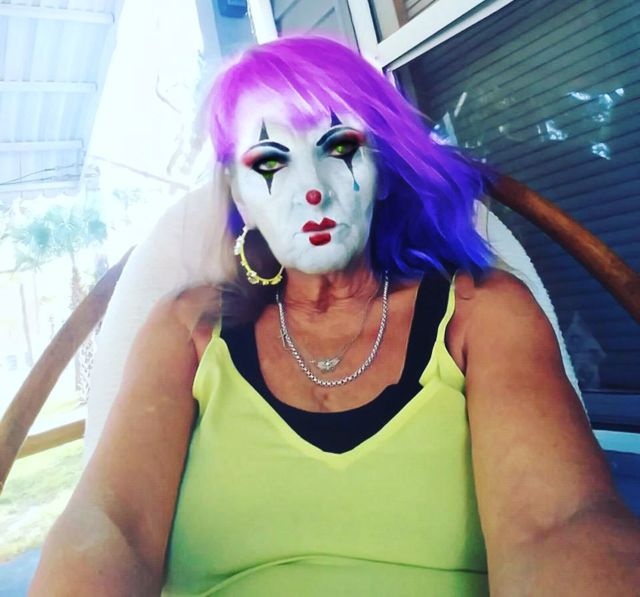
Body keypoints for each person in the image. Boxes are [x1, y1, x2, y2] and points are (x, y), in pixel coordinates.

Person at [31, 36, 640, 596]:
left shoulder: (482, 313)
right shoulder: (189, 331)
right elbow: (110, 526)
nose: (314, 188)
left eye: (341, 146)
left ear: (383, 171)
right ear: (239, 195)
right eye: (271, 162)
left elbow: (561, 523)